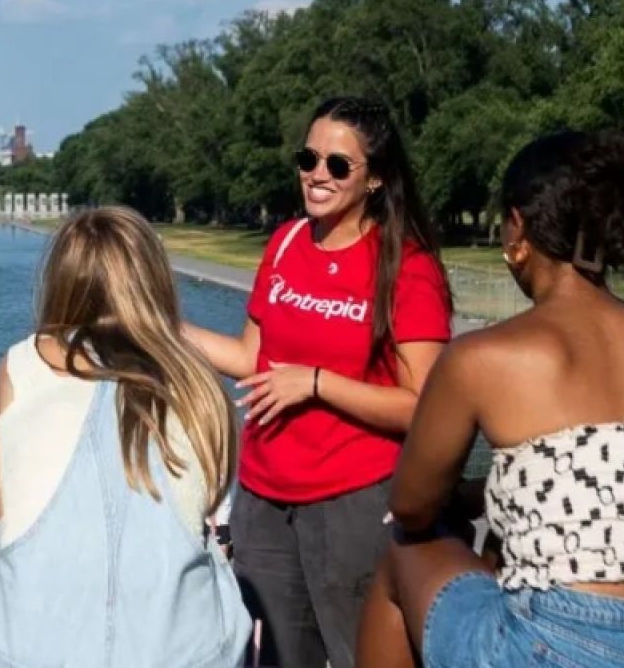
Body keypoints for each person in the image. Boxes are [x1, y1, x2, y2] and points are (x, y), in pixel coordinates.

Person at [358, 131, 624, 668]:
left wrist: (461, 500)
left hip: (566, 644)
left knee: (402, 556)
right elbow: (616, 480)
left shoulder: (483, 356)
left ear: (518, 227)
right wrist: (498, 494)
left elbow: (412, 506)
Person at [181, 97, 451, 668]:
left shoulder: (405, 265)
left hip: (354, 503)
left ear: (375, 177)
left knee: (361, 655)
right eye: (308, 158)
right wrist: (164, 328)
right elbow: (252, 357)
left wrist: (318, 383)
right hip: (263, 498)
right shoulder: (283, 245)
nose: (316, 175)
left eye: (337, 164)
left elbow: (427, 407)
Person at [0, 207, 251, 667]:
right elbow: (208, 504)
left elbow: (6, 516)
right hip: (176, 650)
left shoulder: (19, 365)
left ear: (62, 280)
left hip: (32, 650)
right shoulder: (196, 380)